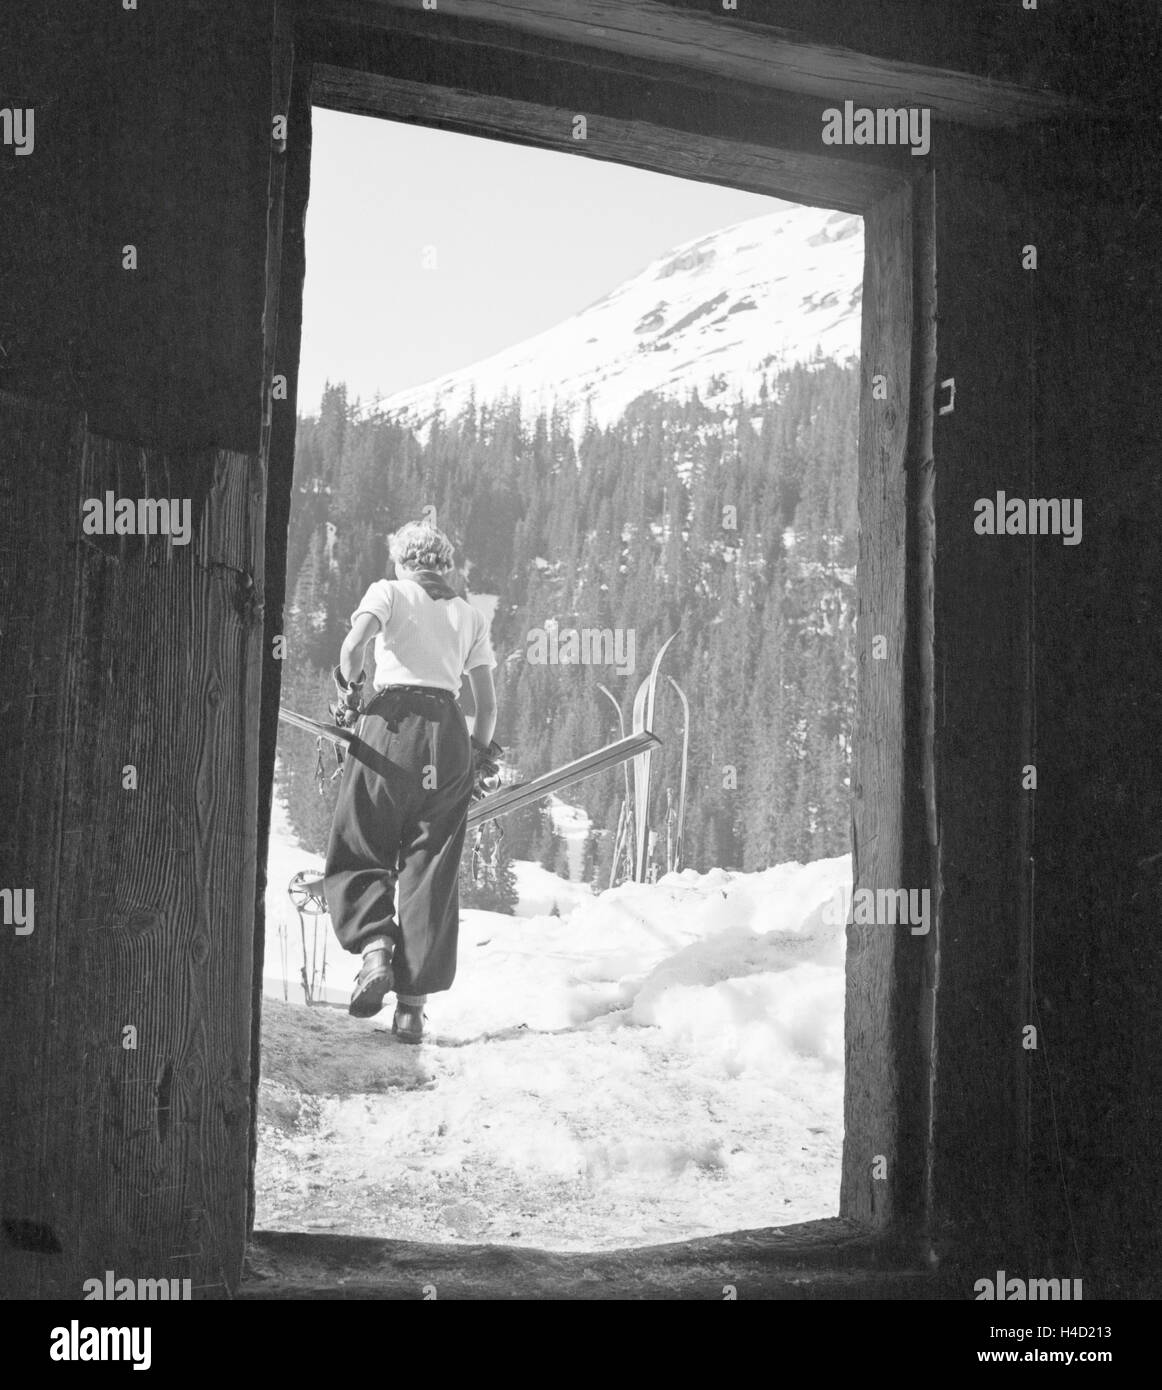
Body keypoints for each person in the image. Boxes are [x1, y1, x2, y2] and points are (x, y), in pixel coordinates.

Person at [323, 521, 501, 1043]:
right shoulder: (470, 616)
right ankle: (411, 1013)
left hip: (389, 728)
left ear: (403, 562)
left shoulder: (388, 592)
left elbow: (353, 649)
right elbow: (486, 706)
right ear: (444, 567)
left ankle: (375, 949)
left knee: (362, 842)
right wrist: (477, 756)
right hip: (447, 736)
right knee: (431, 867)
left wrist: (350, 697)